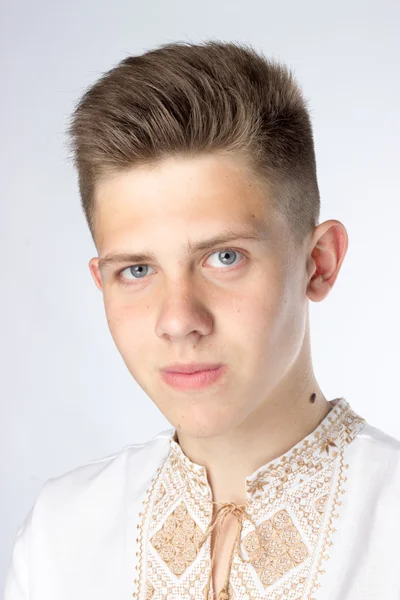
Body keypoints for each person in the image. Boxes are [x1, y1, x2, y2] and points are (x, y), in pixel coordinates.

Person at [4, 40, 400, 600]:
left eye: (225, 258)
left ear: (318, 262)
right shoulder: (60, 535)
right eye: (138, 269)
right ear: (101, 282)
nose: (178, 320)